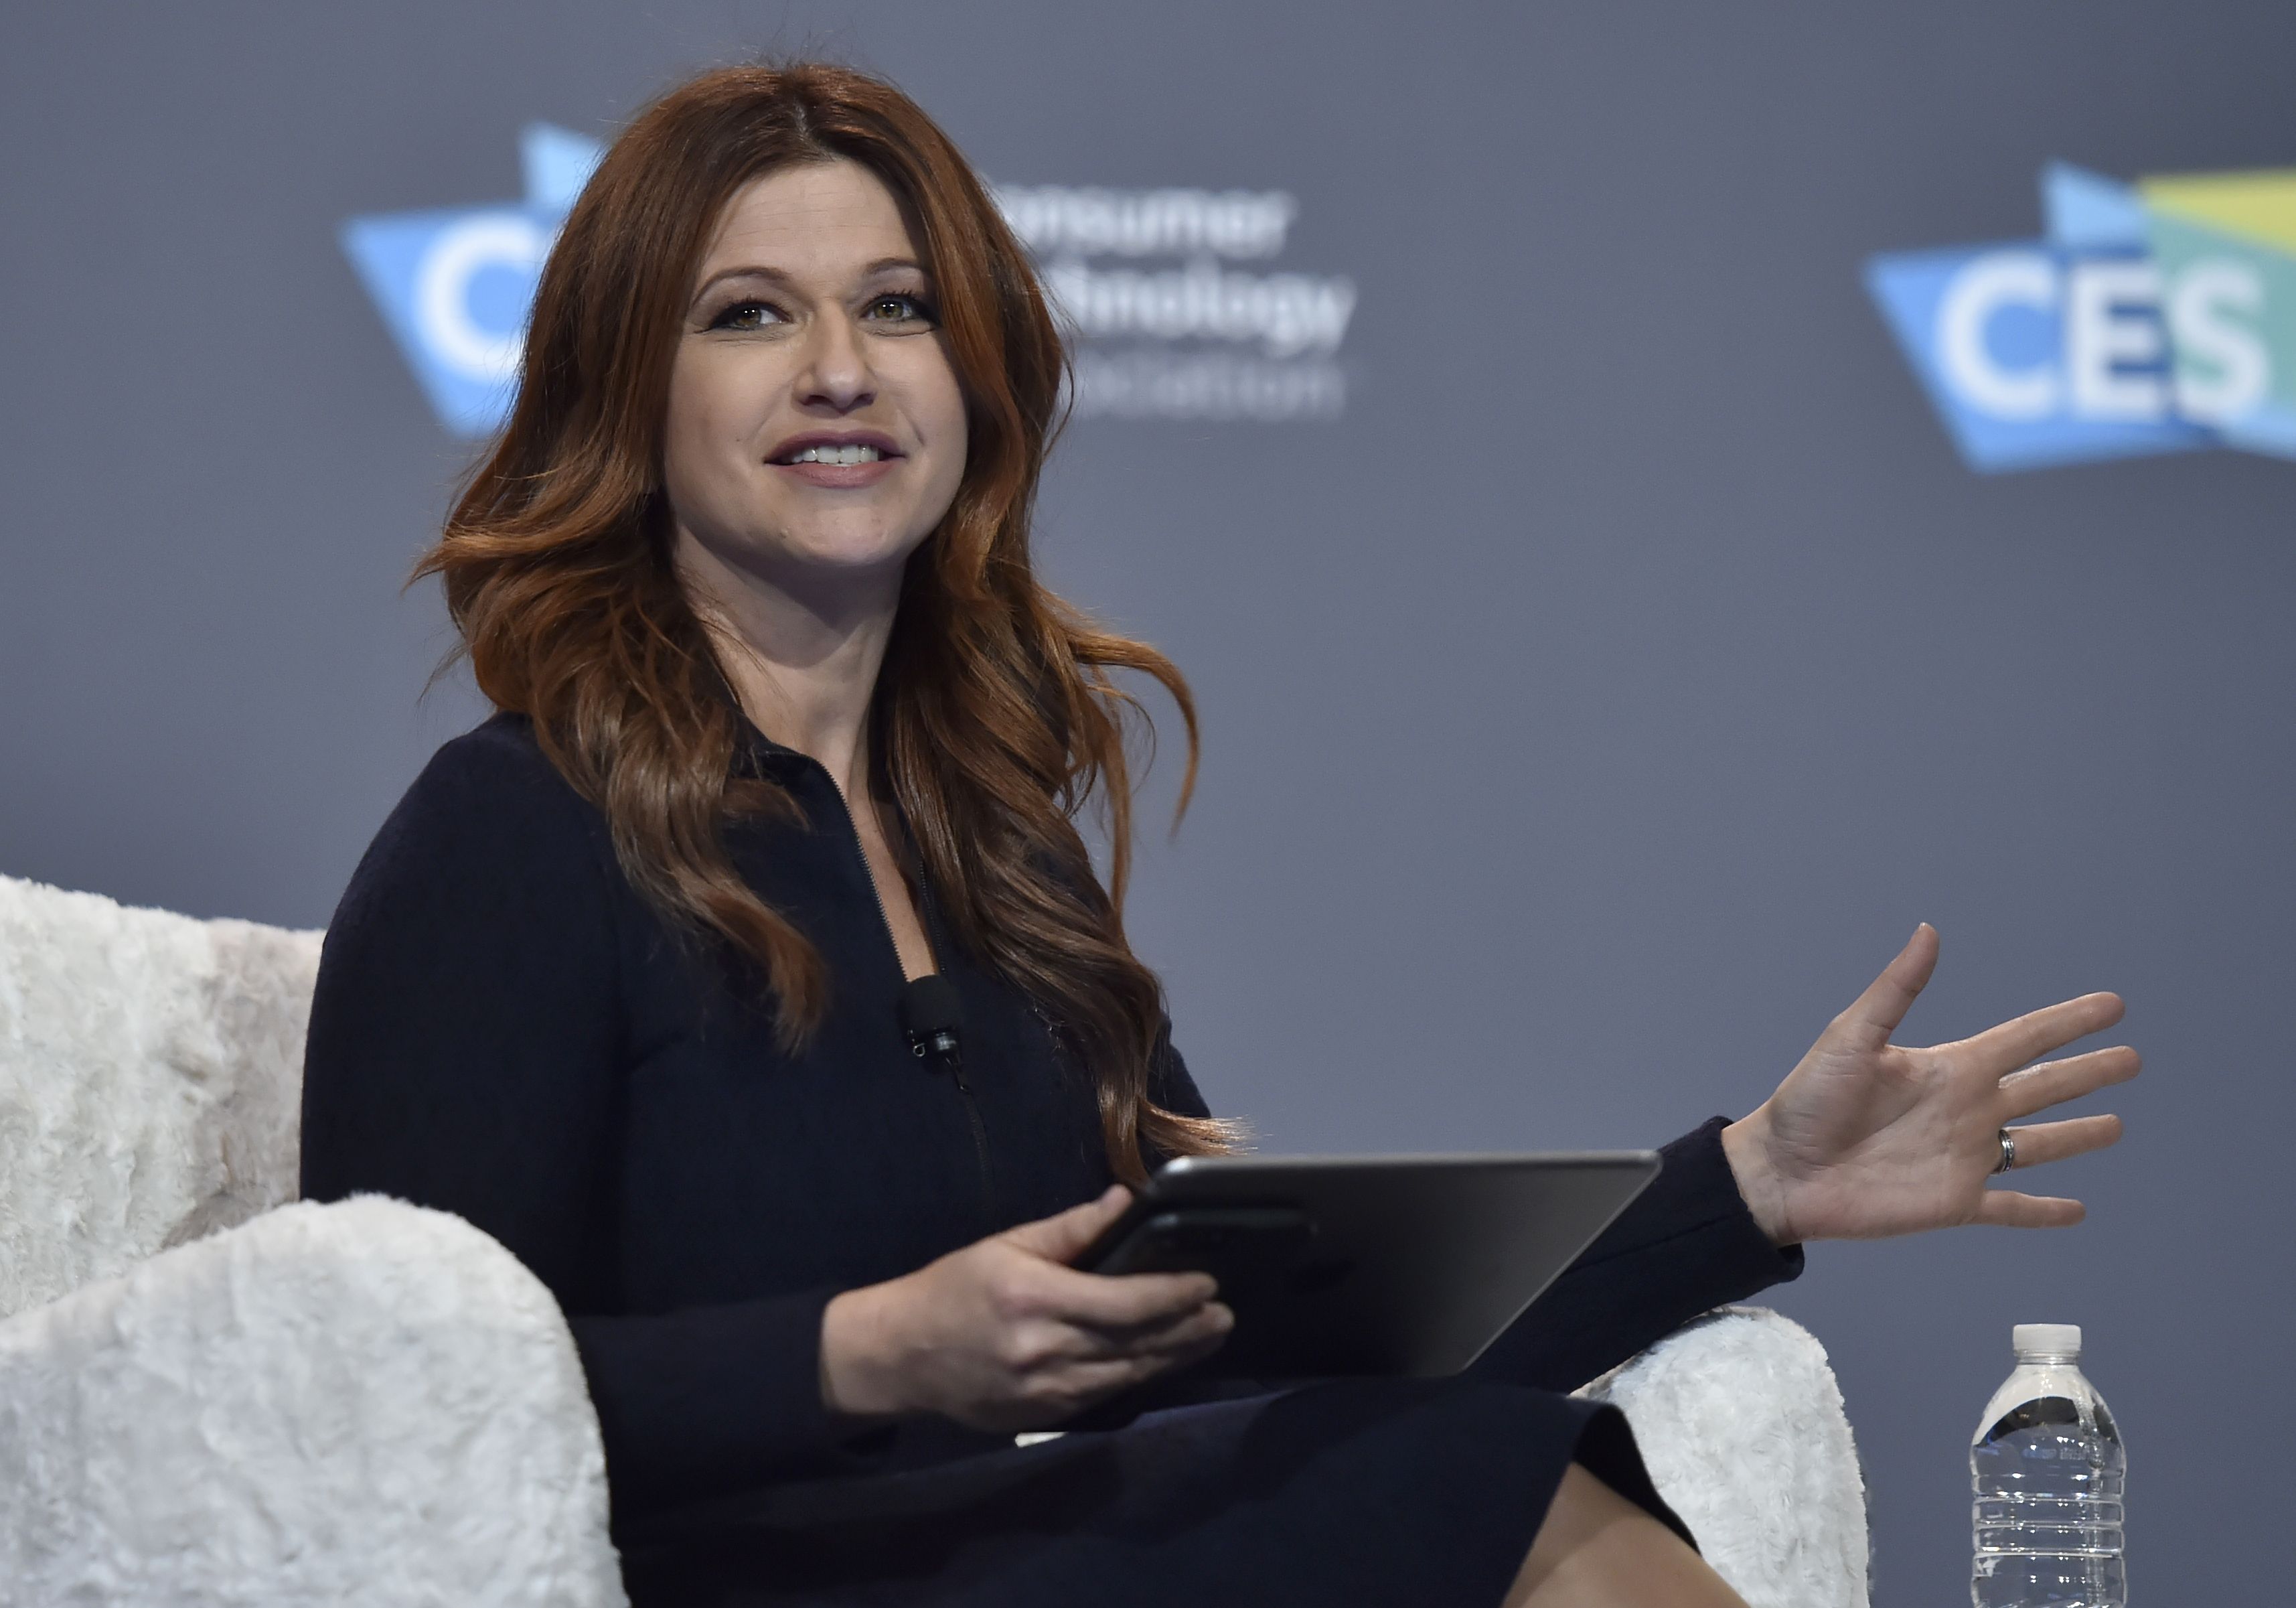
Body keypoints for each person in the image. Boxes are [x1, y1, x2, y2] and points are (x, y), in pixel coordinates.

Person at [298, 61, 2139, 1608]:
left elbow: (1237, 1340)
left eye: (900, 305)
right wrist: (869, 1349)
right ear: (630, 394)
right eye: (750, 313)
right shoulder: (516, 834)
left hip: (1025, 1545)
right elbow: (394, 1402)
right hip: (730, 1579)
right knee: (1451, 1479)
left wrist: (1748, 1186)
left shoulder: (994, 851)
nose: (842, 367)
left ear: (978, 382)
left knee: (1433, 1454)